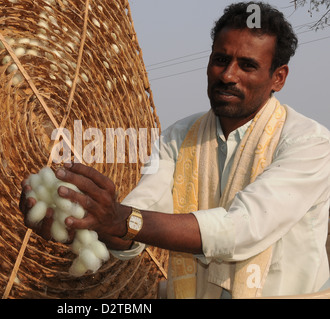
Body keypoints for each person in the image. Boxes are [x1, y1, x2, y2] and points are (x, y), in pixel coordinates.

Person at [19, 2, 330, 298]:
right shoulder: (177, 137)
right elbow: (138, 218)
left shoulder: (309, 143)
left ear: (278, 77)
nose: (228, 75)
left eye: (247, 66)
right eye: (220, 60)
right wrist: (84, 220)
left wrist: (120, 218)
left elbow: (243, 228)